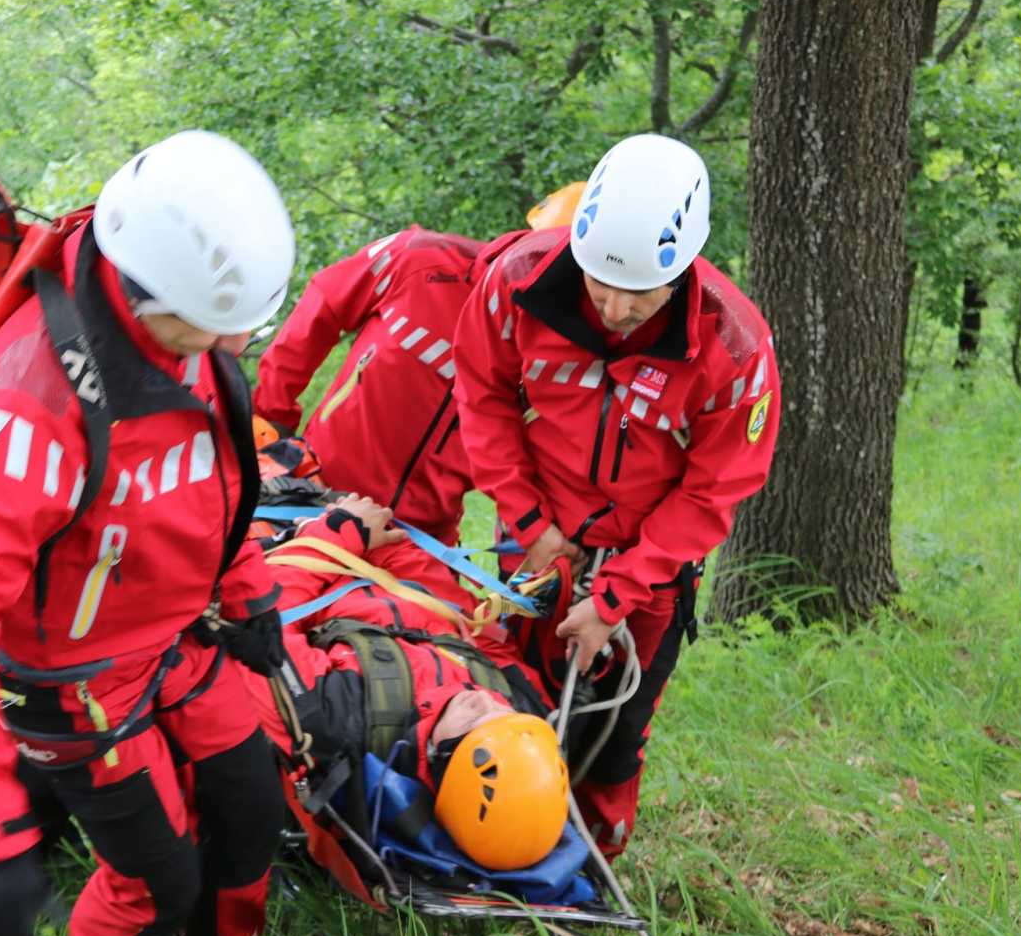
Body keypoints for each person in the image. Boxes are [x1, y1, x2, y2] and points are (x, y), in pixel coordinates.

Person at [0, 130, 293, 936]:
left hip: (171, 638)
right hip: (73, 686)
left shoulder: (191, 335)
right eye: (220, 326)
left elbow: (218, 477)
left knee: (250, 802)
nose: (233, 344)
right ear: (150, 296)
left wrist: (248, 593)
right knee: (157, 880)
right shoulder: (35, 404)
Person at [453, 133, 781, 858]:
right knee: (508, 703)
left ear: (685, 267)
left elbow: (712, 490)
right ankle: (492, 850)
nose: (614, 307)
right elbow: (482, 396)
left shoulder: (733, 346)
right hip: (537, 544)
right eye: (601, 282)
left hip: (649, 567)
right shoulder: (518, 280)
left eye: (640, 292)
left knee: (615, 733)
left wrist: (615, 597)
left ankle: (588, 867)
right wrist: (530, 520)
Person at [240, 493, 570, 872]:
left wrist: (337, 535)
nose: (485, 701)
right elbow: (450, 603)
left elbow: (262, 622)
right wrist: (380, 541)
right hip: (353, 549)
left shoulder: (335, 722)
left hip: (291, 555)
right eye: (503, 713)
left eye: (473, 727)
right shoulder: (525, 706)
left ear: (438, 760)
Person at [252, 226, 488, 544]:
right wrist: (272, 416)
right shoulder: (419, 256)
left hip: (420, 537)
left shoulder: (550, 345)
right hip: (316, 494)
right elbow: (321, 307)